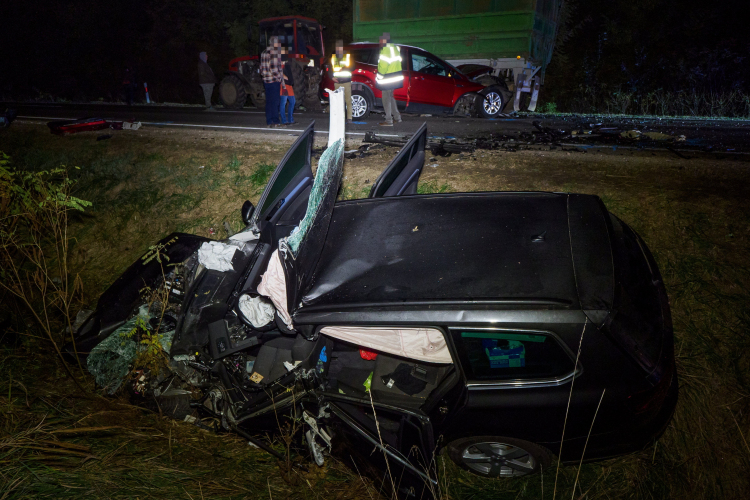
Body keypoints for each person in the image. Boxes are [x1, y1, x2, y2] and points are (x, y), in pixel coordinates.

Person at [375, 32, 403, 127]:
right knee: (391, 97)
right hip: (395, 77)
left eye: (380, 40)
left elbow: (383, 66)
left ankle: (388, 120)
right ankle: (397, 117)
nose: (379, 42)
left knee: (386, 99)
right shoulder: (395, 48)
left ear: (384, 40)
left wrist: (379, 77)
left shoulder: (386, 50)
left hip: (388, 78)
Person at [260, 36, 283, 127]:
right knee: (275, 102)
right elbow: (273, 69)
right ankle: (276, 121)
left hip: (266, 81)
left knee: (269, 102)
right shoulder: (274, 53)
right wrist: (279, 78)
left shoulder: (263, 53)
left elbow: (261, 67)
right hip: (273, 81)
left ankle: (269, 121)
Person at [331, 40, 353, 123]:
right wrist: (331, 77)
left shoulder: (347, 56)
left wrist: (343, 68)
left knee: (348, 100)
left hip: (346, 81)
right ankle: (340, 117)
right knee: (338, 101)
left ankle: (349, 118)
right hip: (337, 82)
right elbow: (330, 68)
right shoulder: (333, 57)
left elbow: (353, 67)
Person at [279, 49, 296, 125]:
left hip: (289, 85)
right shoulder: (280, 65)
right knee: (283, 103)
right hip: (284, 86)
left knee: (292, 102)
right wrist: (284, 76)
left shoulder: (286, 64)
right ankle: (284, 121)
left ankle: (290, 120)